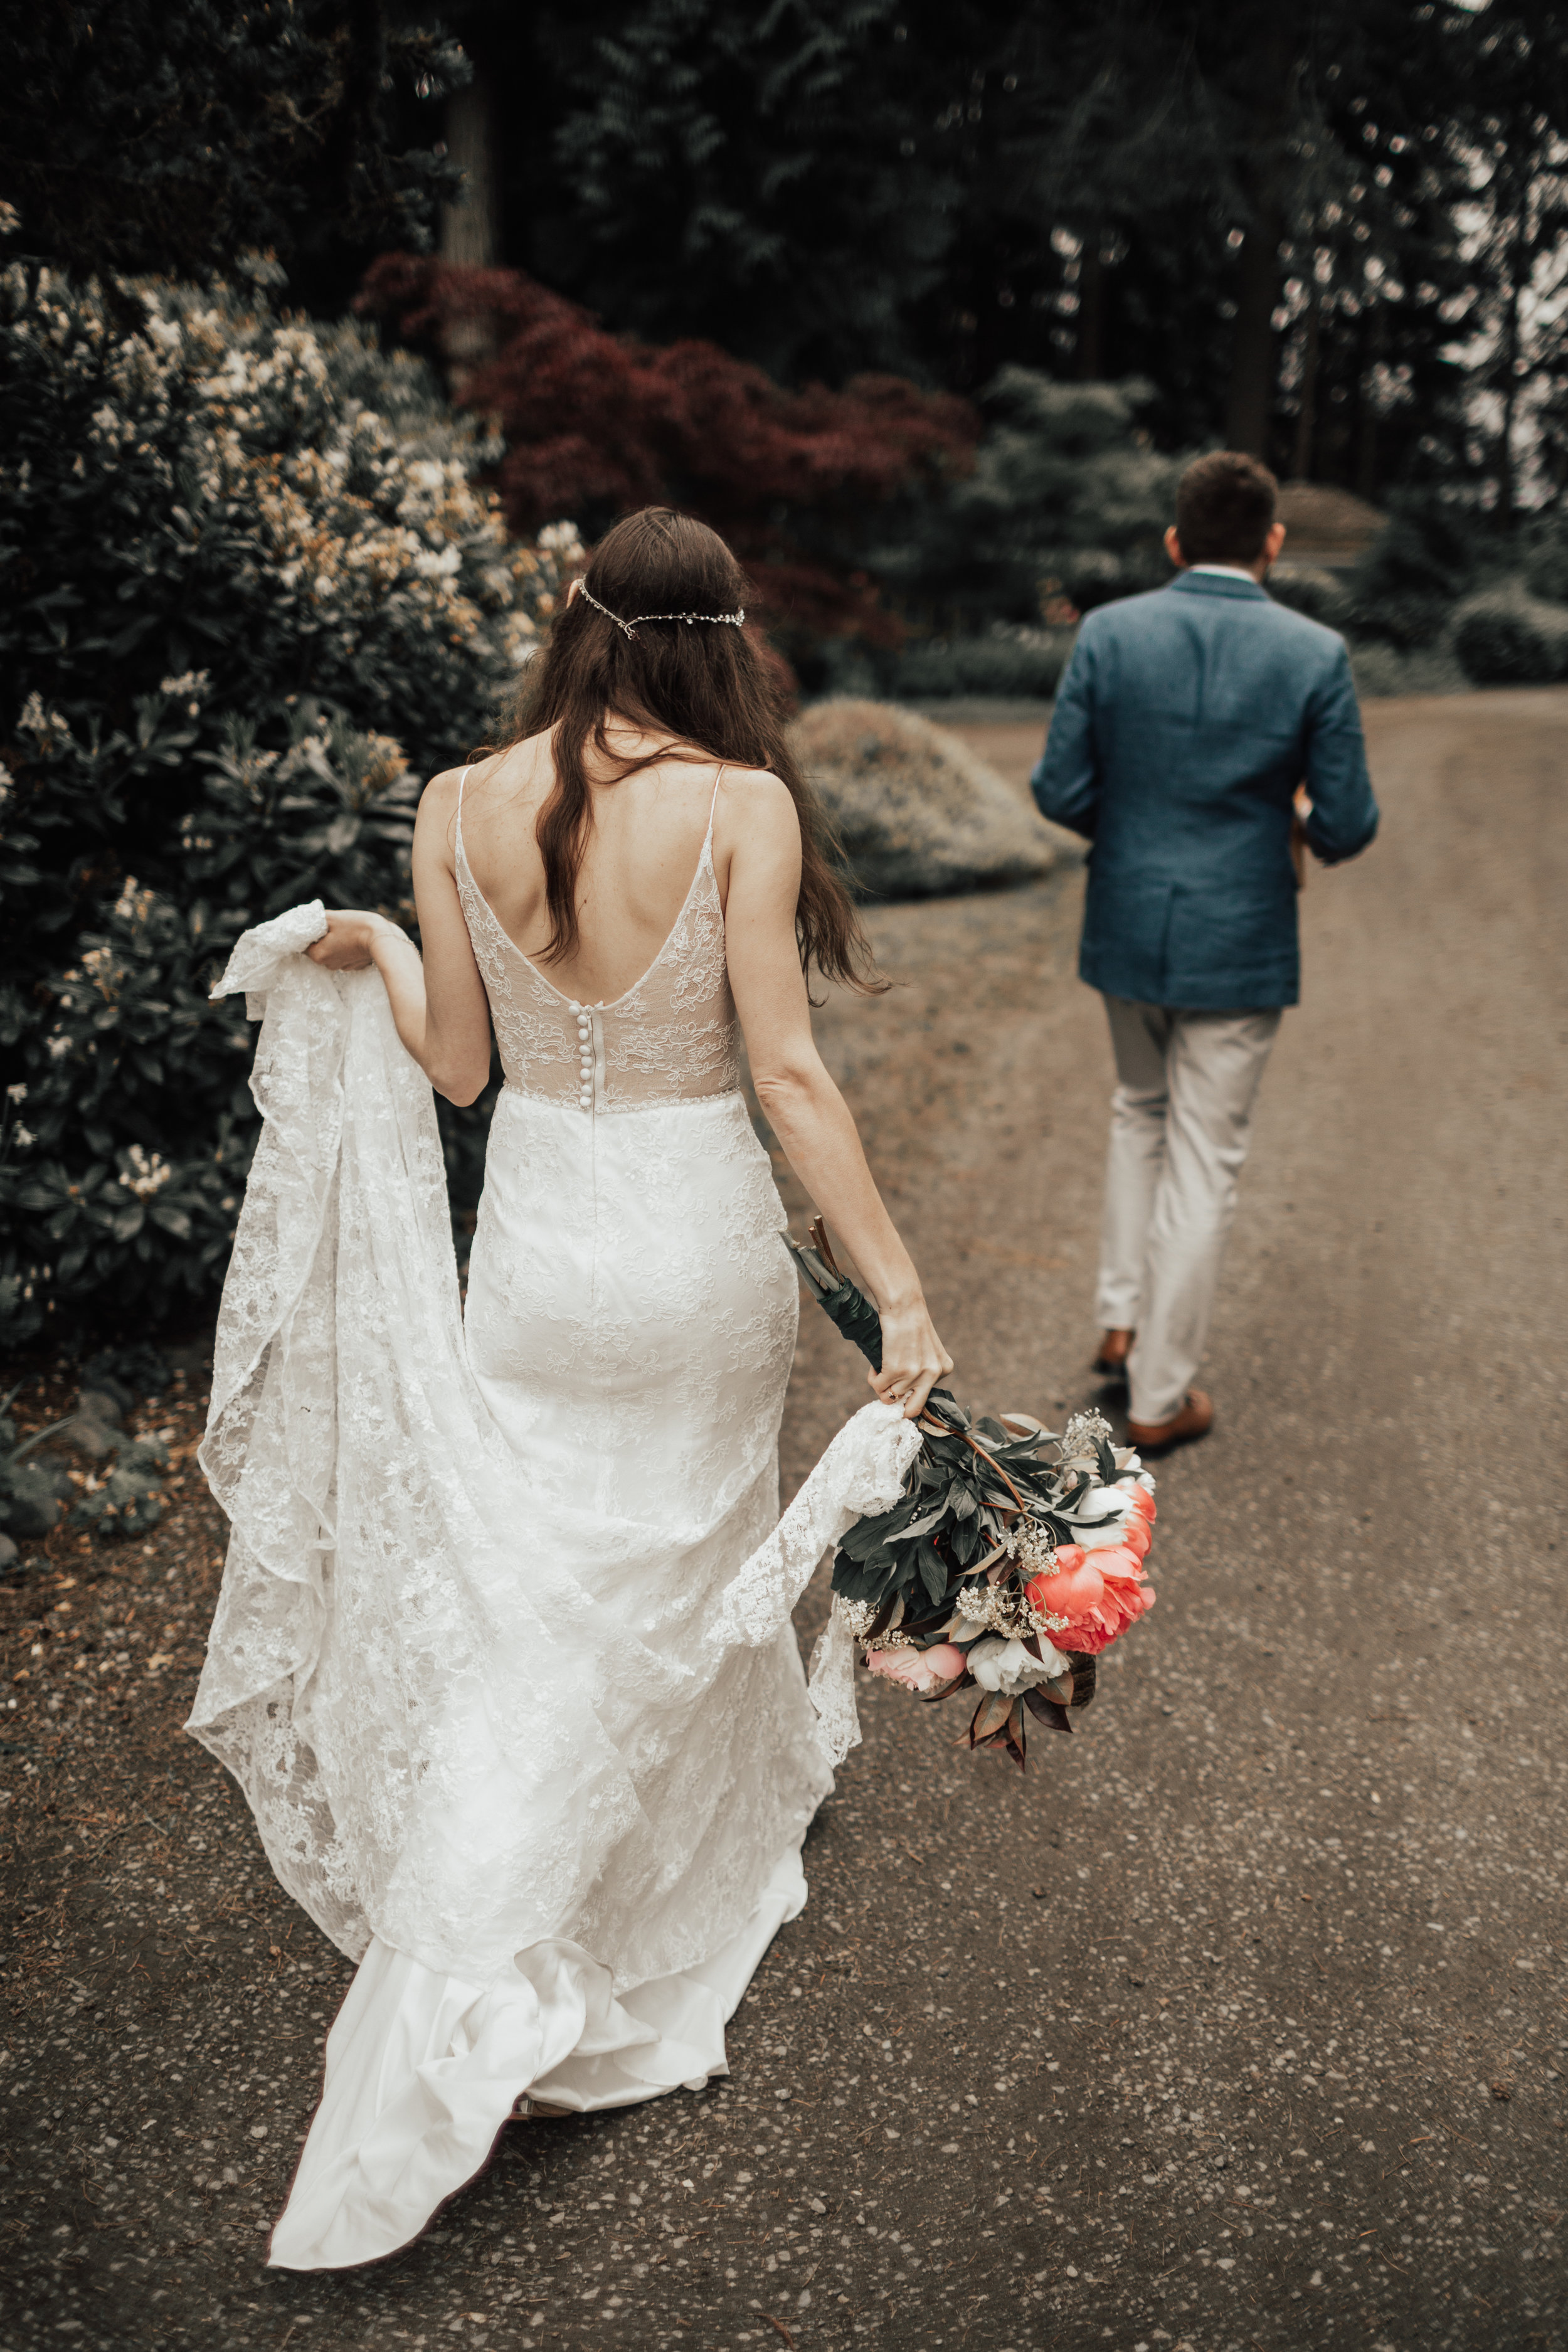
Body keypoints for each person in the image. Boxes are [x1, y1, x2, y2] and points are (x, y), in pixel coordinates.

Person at [186, 508, 950, 2268]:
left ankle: (488, 1921)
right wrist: (898, 1296)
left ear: (578, 620)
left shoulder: (459, 802)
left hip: (533, 1252)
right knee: (674, 1560)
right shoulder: (740, 805)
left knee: (540, 1590)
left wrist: (382, 946)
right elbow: (783, 1069)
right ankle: (551, 1928)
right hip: (687, 1245)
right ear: (722, 642)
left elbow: (457, 1069)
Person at [1031, 450, 1379, 1451]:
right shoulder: (1315, 653)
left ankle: (1122, 1317)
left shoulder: (1109, 632)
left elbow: (1058, 788)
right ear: (1273, 542)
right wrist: (1292, 812)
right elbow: (1350, 822)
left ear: (1176, 542)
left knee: (1139, 1111)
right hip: (1241, 932)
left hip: (1130, 917)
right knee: (1205, 1156)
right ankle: (1156, 1398)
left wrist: (1135, 831)